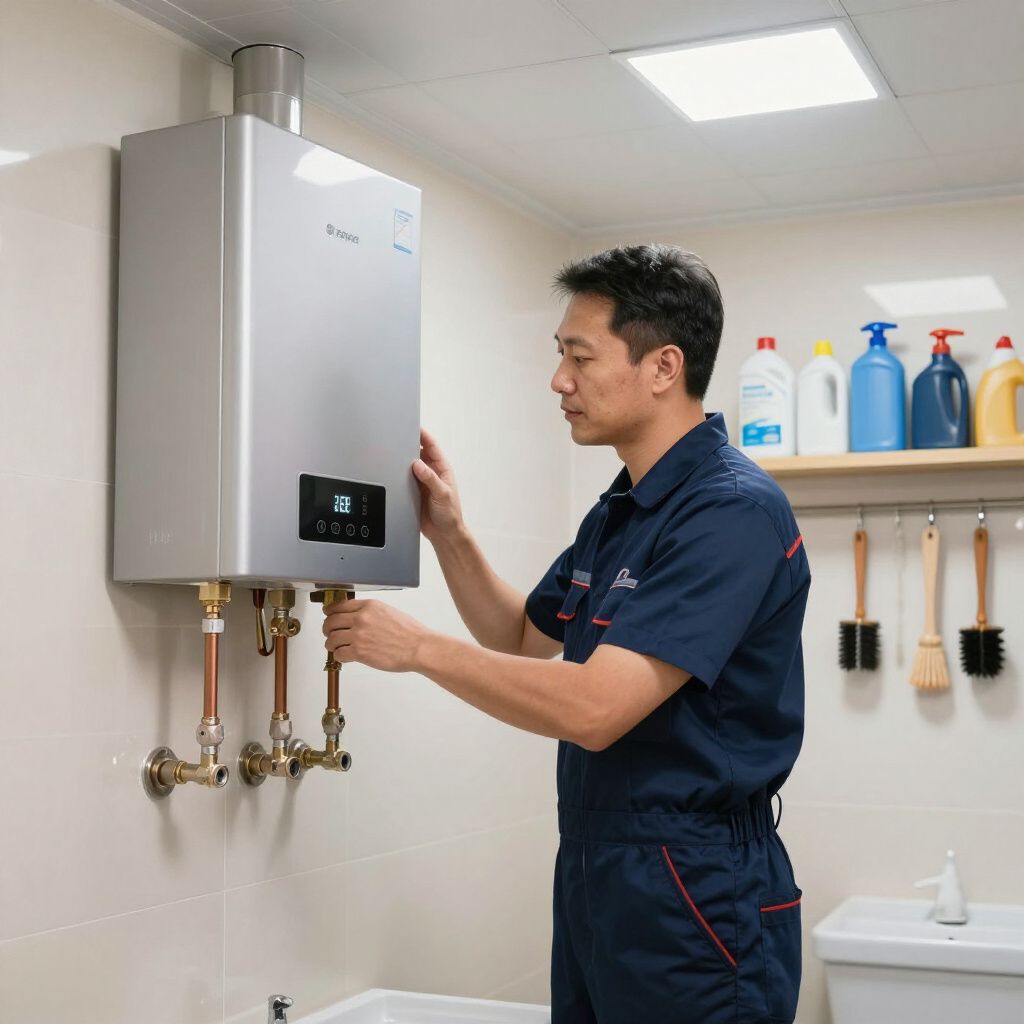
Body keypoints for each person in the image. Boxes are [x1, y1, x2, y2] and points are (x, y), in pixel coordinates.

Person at [323, 244, 810, 1024]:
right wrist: (450, 533)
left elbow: (595, 709)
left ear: (664, 367)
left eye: (580, 358)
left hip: (697, 889)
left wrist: (418, 649)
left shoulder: (731, 511)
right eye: (561, 356)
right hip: (600, 872)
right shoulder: (622, 510)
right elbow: (521, 634)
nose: (559, 380)